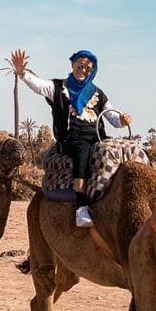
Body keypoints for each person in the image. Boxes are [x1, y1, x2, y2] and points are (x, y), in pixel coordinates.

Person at [11, 48, 131, 228]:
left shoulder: (98, 93)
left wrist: (122, 119)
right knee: (83, 151)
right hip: (71, 139)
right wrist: (22, 73)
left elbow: (112, 118)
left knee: (121, 151)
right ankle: (81, 207)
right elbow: (38, 85)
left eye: (87, 68)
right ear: (73, 64)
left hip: (97, 137)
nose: (83, 70)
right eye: (80, 66)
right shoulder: (59, 88)